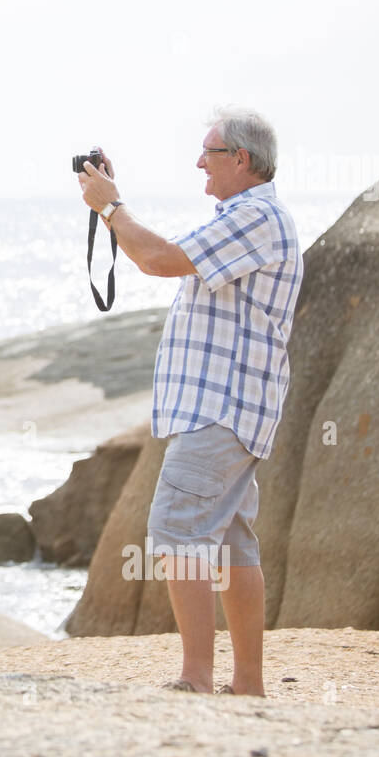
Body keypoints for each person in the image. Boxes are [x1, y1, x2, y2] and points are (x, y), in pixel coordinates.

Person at [77, 107, 303, 696]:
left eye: (209, 151)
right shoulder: (253, 218)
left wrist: (109, 206)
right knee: (230, 541)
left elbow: (158, 259)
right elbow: (162, 253)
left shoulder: (254, 215)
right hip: (232, 409)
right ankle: (247, 684)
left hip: (221, 409)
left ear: (241, 160)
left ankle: (197, 679)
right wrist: (112, 208)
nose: (199, 161)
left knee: (176, 529)